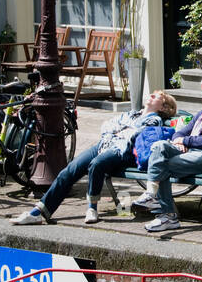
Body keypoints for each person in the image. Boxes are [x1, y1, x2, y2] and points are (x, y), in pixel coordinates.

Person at [11, 91, 177, 226]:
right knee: (69, 171)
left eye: (156, 97)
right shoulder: (132, 114)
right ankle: (38, 212)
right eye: (152, 94)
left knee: (95, 164)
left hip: (123, 151)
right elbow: (108, 124)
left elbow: (135, 135)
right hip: (106, 144)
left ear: (163, 107)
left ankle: (92, 208)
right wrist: (116, 132)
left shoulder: (155, 120)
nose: (151, 96)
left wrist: (120, 131)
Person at [131, 69, 202, 232]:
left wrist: (187, 140)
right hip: (192, 152)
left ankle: (167, 215)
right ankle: (152, 196)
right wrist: (179, 140)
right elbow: (180, 132)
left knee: (163, 165)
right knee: (158, 146)